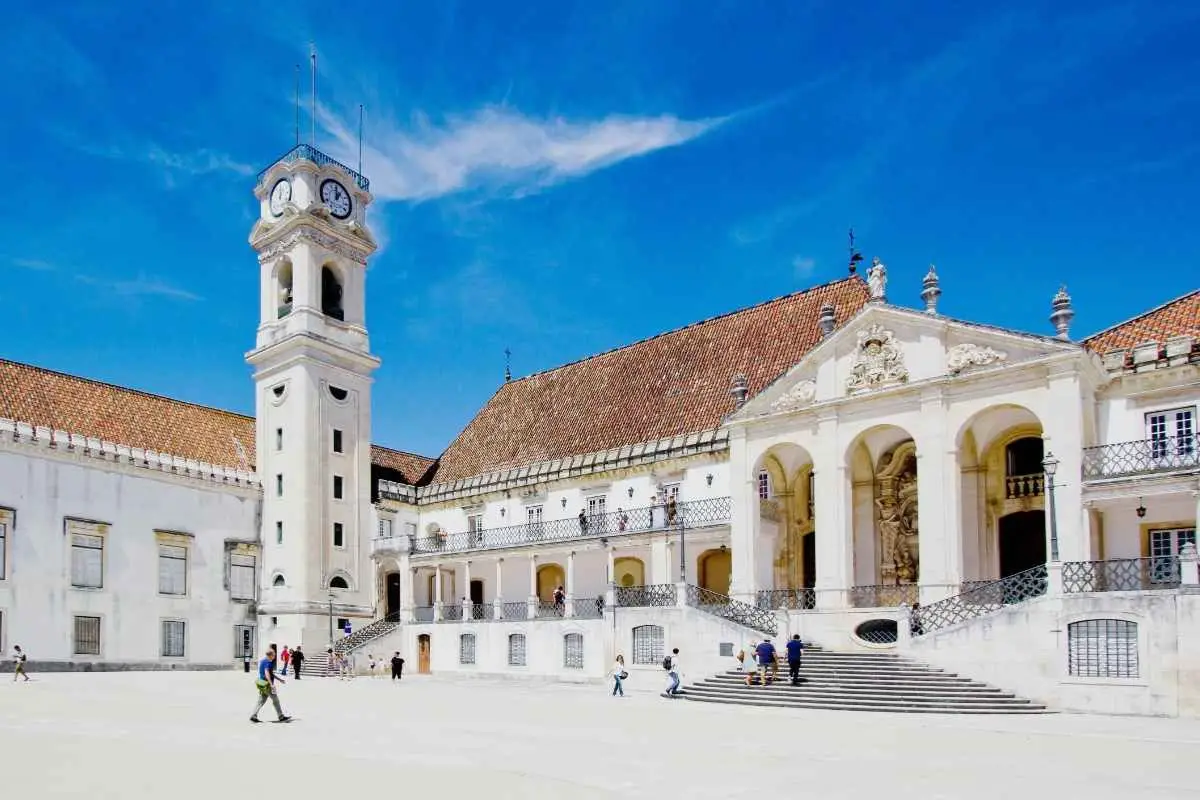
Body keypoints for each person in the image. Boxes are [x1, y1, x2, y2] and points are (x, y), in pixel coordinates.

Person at [250, 645, 292, 724]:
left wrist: (280, 680)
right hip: (267, 685)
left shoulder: (263, 661)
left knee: (261, 701)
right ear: (270, 655)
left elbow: (271, 673)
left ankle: (253, 715)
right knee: (276, 700)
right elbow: (267, 673)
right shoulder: (268, 662)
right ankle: (281, 716)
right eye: (274, 655)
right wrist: (271, 684)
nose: (274, 656)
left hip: (262, 684)